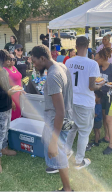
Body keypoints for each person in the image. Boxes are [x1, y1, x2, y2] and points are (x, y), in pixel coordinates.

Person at [29, 45, 73, 191]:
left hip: (57, 120)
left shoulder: (53, 75)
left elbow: (59, 112)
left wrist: (53, 141)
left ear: (43, 58)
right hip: (66, 116)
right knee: (59, 153)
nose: (34, 65)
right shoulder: (61, 66)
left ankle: (67, 189)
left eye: (35, 62)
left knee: (58, 154)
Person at [64, 37, 100, 170]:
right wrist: (100, 85)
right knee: (84, 132)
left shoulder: (69, 62)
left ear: (76, 45)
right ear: (87, 46)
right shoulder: (92, 64)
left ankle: (66, 152)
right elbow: (92, 87)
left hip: (71, 99)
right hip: (85, 102)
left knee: (71, 128)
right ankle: (79, 160)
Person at [93, 47, 112, 155]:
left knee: (109, 120)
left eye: (97, 59)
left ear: (103, 58)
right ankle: (106, 136)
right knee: (105, 117)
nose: (96, 61)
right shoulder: (99, 68)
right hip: (103, 95)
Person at [5, 53, 22, 121]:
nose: (12, 61)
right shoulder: (5, 70)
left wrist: (21, 90)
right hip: (12, 96)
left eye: (14, 59)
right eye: (10, 59)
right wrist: (11, 101)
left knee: (19, 115)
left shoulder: (14, 67)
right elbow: (5, 86)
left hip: (19, 95)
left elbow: (19, 79)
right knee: (13, 117)